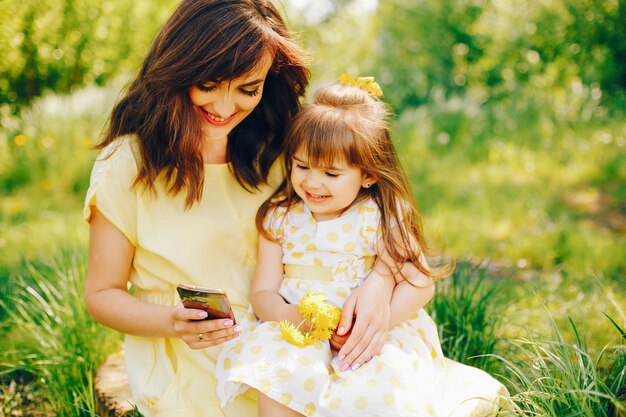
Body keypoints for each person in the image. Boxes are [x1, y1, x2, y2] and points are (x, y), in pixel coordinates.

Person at [83, 2, 396, 417]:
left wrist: (380, 281)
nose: (226, 107)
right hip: (190, 355)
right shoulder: (128, 164)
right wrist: (171, 321)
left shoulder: (280, 149)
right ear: (177, 69)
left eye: (248, 89)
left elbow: (377, 211)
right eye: (210, 83)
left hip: (292, 345)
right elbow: (102, 294)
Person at [215, 80, 510, 417]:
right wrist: (286, 314)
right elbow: (263, 292)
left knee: (376, 394)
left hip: (366, 341)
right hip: (301, 334)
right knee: (279, 382)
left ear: (367, 174)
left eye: (330, 173)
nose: (312, 183)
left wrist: (373, 329)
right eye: (302, 166)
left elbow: (419, 282)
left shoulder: (377, 215)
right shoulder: (279, 218)